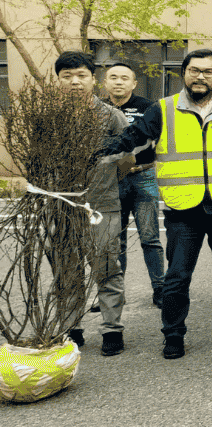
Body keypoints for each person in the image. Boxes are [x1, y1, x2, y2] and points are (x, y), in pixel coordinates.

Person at [104, 48, 212, 358]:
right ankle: (174, 334)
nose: (201, 77)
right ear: (184, 73)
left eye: (208, 72)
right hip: (183, 208)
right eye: (195, 70)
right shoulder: (162, 109)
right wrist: (99, 151)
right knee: (177, 276)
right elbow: (132, 137)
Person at [54, 53, 130, 354]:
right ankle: (72, 327)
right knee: (67, 271)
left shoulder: (111, 116)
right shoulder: (49, 117)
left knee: (107, 268)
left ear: (92, 78)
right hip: (60, 207)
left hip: (103, 205)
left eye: (81, 75)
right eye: (67, 75)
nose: (74, 81)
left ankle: (112, 329)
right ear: (58, 80)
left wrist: (103, 177)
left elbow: (127, 158)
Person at [101, 59, 164, 310]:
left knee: (150, 237)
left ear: (134, 83)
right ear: (105, 82)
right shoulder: (97, 109)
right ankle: (115, 293)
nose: (118, 82)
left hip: (143, 178)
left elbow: (156, 141)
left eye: (124, 78)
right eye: (113, 77)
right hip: (109, 181)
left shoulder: (149, 108)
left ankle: (159, 289)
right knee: (115, 241)